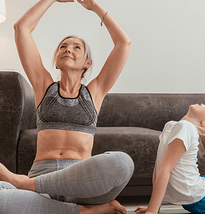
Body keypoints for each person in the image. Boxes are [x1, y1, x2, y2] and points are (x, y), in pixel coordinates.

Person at [0, 0, 133, 213]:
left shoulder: (94, 92)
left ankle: (28, 189)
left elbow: (123, 43)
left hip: (82, 182)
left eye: (76, 47)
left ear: (87, 63)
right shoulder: (44, 87)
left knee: (123, 163)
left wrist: (94, 7)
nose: (68, 49)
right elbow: (21, 28)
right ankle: (84, 211)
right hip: (42, 177)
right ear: (56, 61)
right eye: (63, 46)